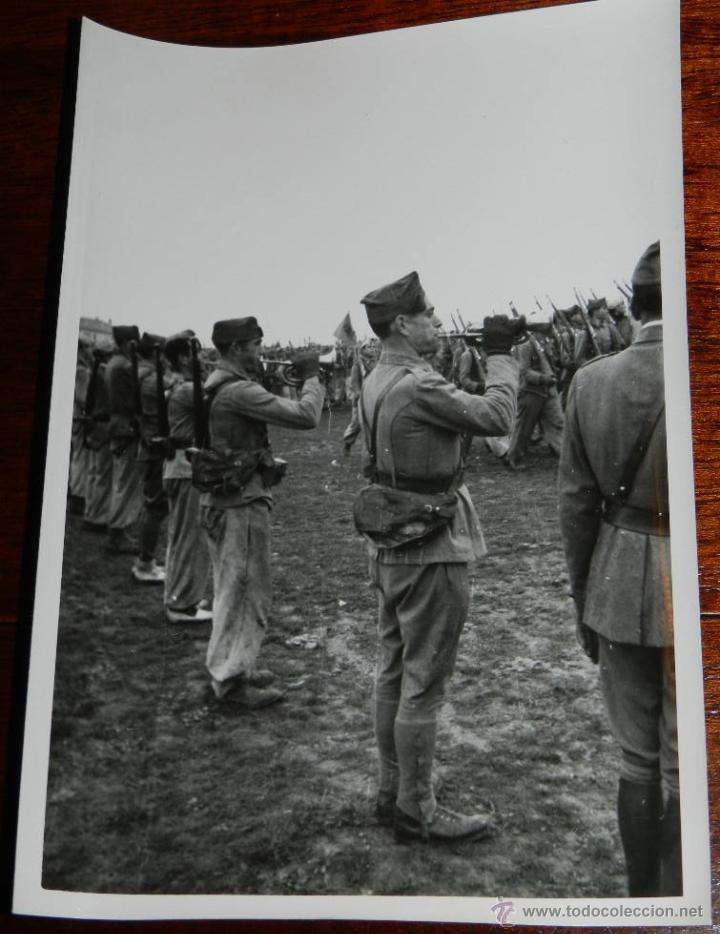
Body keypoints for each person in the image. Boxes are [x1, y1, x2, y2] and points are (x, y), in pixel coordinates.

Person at [357, 270, 520, 842]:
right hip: (430, 545)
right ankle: (417, 808)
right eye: (427, 313)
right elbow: (497, 417)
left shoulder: (376, 378)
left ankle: (390, 791)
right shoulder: (418, 384)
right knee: (424, 681)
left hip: (390, 541)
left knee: (394, 671)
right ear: (403, 322)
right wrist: (500, 355)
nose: (435, 320)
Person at [558, 241, 680, 896]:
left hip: (615, 583)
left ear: (634, 307)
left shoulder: (589, 382)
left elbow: (575, 510)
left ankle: (645, 902)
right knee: (687, 771)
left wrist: (584, 606)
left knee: (637, 762)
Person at [201, 316, 325, 708]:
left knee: (230, 591)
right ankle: (231, 682)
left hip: (225, 499)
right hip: (241, 504)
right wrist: (312, 377)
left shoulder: (216, 383)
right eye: (255, 344)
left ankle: (231, 667)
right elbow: (306, 416)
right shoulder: (238, 390)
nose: (260, 351)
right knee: (244, 592)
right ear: (237, 348)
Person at [162, 330, 212, 623]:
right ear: (183, 358)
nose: (203, 358)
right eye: (197, 353)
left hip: (179, 466)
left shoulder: (180, 386)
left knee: (182, 537)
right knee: (190, 539)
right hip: (185, 466)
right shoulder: (185, 390)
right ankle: (181, 606)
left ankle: (181, 597)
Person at [132, 332, 169, 583]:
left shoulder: (144, 375)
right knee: (155, 506)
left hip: (149, 443)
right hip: (155, 447)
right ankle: (145, 562)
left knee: (153, 505)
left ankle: (146, 559)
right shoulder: (151, 380)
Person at [106, 325, 144, 554]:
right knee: (125, 482)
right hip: (126, 426)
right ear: (129, 342)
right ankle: (117, 535)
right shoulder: (126, 366)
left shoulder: (113, 364)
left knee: (119, 480)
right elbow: (131, 401)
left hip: (117, 425)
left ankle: (117, 532)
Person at [505, 325, 563, 470]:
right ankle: (514, 458)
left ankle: (566, 456)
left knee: (558, 423)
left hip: (547, 390)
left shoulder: (543, 341)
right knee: (524, 429)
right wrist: (543, 378)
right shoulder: (525, 344)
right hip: (531, 392)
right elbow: (524, 371)